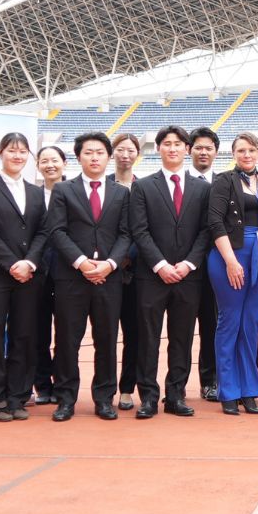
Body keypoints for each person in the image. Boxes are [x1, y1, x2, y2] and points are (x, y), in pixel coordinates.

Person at [44, 132, 131, 421]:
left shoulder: (121, 193)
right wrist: (81, 263)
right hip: (71, 278)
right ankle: (65, 399)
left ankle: (104, 398)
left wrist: (110, 264)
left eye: (100, 153)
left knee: (106, 340)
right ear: (78, 157)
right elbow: (56, 231)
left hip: (109, 278)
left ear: (109, 157)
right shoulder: (63, 190)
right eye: (88, 153)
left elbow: (126, 233)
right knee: (67, 340)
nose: (94, 158)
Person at [129, 126, 212, 419]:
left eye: (178, 144)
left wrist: (188, 264)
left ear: (187, 149)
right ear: (159, 148)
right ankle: (148, 398)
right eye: (167, 144)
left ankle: (175, 395)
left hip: (189, 277)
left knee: (182, 338)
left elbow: (206, 231)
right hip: (152, 276)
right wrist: (160, 265)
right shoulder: (143, 187)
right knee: (148, 338)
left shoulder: (203, 188)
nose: (173, 148)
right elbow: (139, 230)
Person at [0, 133, 47, 421]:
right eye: (12, 150)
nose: (17, 156)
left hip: (29, 275)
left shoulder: (36, 192)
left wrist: (29, 263)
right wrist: (13, 264)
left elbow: (43, 231)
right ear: (0, 152)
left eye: (23, 151)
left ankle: (17, 397)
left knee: (24, 335)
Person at [207, 133, 258, 415]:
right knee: (230, 321)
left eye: (251, 150)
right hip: (232, 254)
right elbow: (215, 221)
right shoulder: (224, 181)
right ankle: (228, 390)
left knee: (251, 323)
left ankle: (248, 390)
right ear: (233, 153)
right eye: (241, 150)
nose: (246, 155)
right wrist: (230, 261)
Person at [109, 133, 143, 411]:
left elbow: (144, 229)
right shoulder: (102, 184)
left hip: (135, 272)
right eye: (120, 149)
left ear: (137, 154)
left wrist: (126, 256)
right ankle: (105, 389)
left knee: (134, 335)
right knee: (106, 334)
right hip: (104, 270)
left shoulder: (143, 187)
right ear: (112, 153)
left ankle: (127, 389)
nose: (125, 155)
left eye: (130, 150)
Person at [32, 145, 66, 404]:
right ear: (38, 165)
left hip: (68, 271)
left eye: (55, 160)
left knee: (66, 332)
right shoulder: (31, 195)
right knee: (38, 330)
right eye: (44, 161)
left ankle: (63, 384)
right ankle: (43, 384)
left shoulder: (75, 191)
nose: (50, 165)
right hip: (37, 272)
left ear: (64, 163)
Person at [189, 126, 220, 400]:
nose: (203, 152)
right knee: (181, 329)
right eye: (198, 147)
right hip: (182, 266)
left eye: (208, 148)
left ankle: (209, 380)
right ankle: (175, 385)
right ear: (189, 150)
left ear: (216, 152)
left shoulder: (224, 182)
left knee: (211, 325)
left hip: (215, 266)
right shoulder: (179, 181)